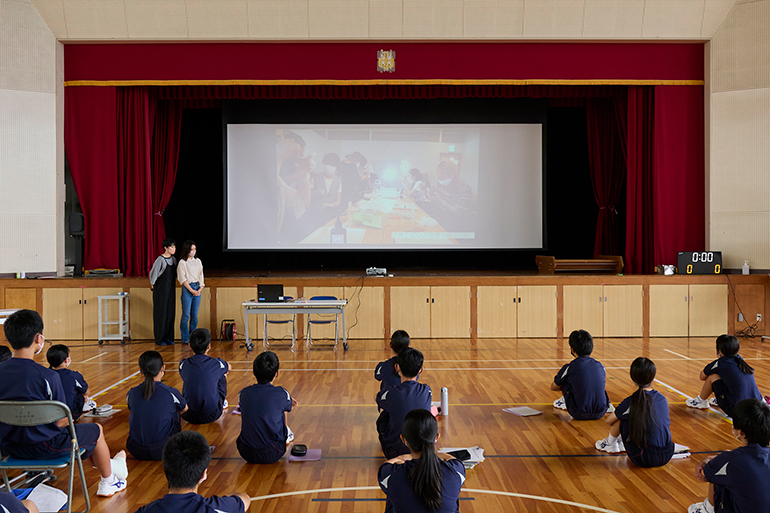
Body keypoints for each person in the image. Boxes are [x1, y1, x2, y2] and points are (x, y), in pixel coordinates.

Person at [0, 310, 128, 497]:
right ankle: (108, 481)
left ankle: (111, 466)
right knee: (96, 431)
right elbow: (61, 421)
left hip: (8, 447)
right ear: (38, 338)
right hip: (47, 446)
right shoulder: (48, 376)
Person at [133, 431, 249, 513]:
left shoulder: (145, 510)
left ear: (166, 469)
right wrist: (221, 501)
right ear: (204, 475)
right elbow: (245, 499)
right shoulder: (216, 507)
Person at [688, 398, 770, 513]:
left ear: (740, 432)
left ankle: (708, 509)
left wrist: (716, 460)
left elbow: (708, 473)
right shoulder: (732, 458)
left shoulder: (729, 460)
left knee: (720, 472)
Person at [378, 409, 465, 513]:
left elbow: (388, 464)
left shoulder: (390, 474)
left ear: (403, 439)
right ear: (436, 437)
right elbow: (451, 458)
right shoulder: (456, 470)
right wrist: (434, 455)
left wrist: (404, 458)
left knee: (392, 496)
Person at [595, 357, 674, 468]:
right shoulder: (662, 398)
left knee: (622, 417)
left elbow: (609, 421)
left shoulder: (632, 401)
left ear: (633, 378)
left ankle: (610, 443)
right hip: (667, 452)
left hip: (645, 457)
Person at [236, 351, 297, 464]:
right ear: (277, 373)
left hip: (245, 452)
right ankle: (287, 434)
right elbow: (288, 406)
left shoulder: (243, 393)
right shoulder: (282, 393)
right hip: (273, 452)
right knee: (283, 408)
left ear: (253, 372)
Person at [126, 351, 187, 461]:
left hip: (135, 449)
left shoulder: (131, 393)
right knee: (175, 411)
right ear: (163, 368)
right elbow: (184, 409)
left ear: (140, 370)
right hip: (163, 450)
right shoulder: (170, 392)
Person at [686, 334, 762, 417]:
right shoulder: (741, 361)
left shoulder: (720, 363)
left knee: (713, 376)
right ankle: (721, 399)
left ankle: (701, 401)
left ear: (719, 351)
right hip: (756, 407)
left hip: (735, 410)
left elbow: (702, 376)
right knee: (728, 377)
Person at [377, 348, 432, 459]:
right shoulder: (427, 390)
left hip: (395, 452)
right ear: (420, 370)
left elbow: (377, 398)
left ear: (397, 368)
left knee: (384, 415)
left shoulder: (392, 393)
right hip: (423, 451)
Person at [550, 329, 611, 420]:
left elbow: (553, 387)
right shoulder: (600, 366)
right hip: (602, 411)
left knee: (567, 380)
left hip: (578, 413)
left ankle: (563, 401)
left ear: (572, 349)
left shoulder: (570, 367)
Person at [179, 329, 230, 424]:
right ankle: (221, 402)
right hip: (212, 414)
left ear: (190, 346)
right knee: (223, 373)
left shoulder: (183, 364)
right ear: (209, 346)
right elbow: (229, 367)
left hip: (187, 414)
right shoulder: (217, 363)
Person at [47, 344, 94, 420]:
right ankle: (85, 404)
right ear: (66, 360)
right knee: (81, 393)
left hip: (47, 412)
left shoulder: (44, 375)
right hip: (70, 413)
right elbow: (86, 392)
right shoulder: (74, 375)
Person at [177, 240, 205, 345]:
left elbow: (201, 275)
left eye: (194, 249)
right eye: (191, 249)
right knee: (186, 315)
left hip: (197, 287)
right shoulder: (182, 262)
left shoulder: (198, 261)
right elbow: (182, 279)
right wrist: (192, 290)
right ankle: (185, 338)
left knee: (194, 316)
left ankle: (193, 337)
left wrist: (200, 289)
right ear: (186, 250)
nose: (193, 251)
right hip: (188, 288)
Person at [150, 238, 176, 346]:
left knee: (170, 313)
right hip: (160, 290)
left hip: (170, 290)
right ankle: (160, 338)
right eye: (171, 247)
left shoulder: (174, 260)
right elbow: (154, 274)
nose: (173, 249)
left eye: (174, 247)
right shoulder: (160, 260)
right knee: (161, 314)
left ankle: (168, 337)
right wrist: (152, 286)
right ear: (166, 248)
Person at [375, 330, 414, 394]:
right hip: (407, 398)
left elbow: (377, 376)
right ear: (408, 346)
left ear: (390, 345)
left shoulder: (384, 365)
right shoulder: (413, 365)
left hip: (390, 400)